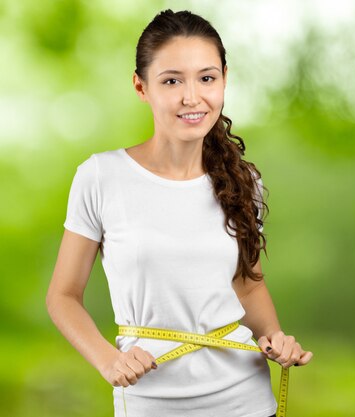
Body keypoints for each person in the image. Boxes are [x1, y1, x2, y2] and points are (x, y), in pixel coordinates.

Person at [46, 9, 313, 417]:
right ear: (141, 86)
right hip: (150, 403)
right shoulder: (102, 176)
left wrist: (276, 338)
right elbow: (63, 296)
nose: (192, 97)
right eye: (172, 81)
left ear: (225, 78)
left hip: (247, 400)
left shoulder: (244, 181)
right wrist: (108, 359)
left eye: (207, 78)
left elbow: (247, 284)